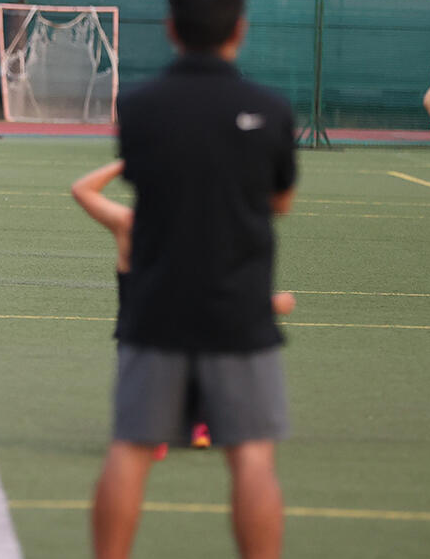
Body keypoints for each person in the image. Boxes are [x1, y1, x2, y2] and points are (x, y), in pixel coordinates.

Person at [91, 0, 297, 559]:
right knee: (252, 458)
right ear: (240, 29)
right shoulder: (269, 108)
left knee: (129, 451)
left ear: (171, 28)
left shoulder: (139, 107)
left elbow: (143, 179)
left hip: (156, 304)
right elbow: (280, 202)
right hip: (240, 308)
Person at [71, 159, 298, 457]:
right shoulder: (205, 235)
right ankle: (196, 419)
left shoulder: (133, 224)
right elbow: (216, 299)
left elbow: (82, 189)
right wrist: (266, 307)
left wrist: (126, 163)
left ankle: (163, 422)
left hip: (141, 342)